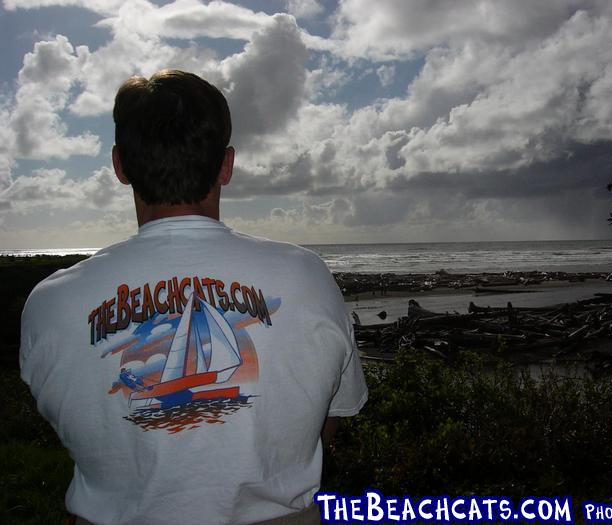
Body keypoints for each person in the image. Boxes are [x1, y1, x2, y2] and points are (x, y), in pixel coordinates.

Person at [20, 70, 367, 525]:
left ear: (119, 165)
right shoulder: (307, 276)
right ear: (226, 165)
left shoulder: (51, 303)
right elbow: (329, 418)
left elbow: (74, 423)